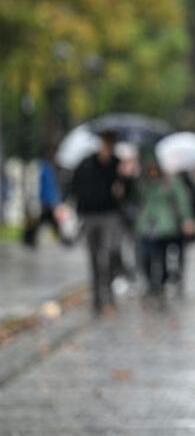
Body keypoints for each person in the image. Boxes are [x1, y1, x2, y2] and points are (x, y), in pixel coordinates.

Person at [70, 129, 126, 315]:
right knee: (93, 256)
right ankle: (97, 297)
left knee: (110, 252)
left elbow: (129, 190)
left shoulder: (118, 165)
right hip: (89, 215)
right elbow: (74, 185)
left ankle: (109, 293)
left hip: (110, 214)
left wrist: (123, 184)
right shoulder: (86, 164)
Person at [134, 154, 194, 300]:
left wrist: (187, 219)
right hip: (147, 225)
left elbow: (182, 199)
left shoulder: (170, 180)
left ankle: (162, 283)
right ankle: (152, 284)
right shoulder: (142, 182)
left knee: (164, 257)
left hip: (167, 226)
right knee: (147, 256)